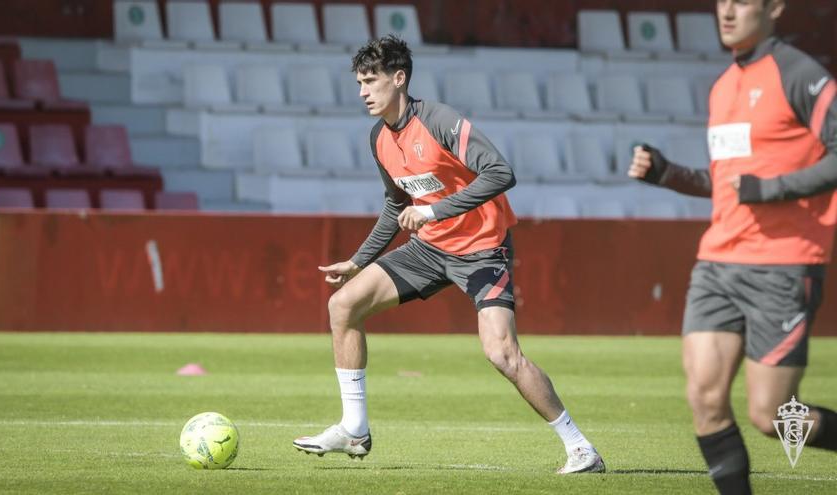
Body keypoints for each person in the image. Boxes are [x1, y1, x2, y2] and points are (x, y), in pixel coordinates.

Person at [292, 35, 605, 474]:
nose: (362, 91)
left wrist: (435, 210)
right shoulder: (379, 138)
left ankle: (581, 448)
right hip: (429, 248)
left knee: (503, 354)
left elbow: (500, 172)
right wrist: (358, 260)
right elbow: (396, 205)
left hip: (482, 249)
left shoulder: (439, 120)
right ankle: (354, 428)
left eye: (371, 80)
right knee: (342, 305)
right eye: (359, 82)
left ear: (399, 79)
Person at [628, 0, 837, 493]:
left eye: (741, 2)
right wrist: (668, 174)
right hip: (718, 261)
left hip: (783, 264)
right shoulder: (724, 86)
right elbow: (728, 183)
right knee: (704, 397)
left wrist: (771, 189)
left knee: (772, 416)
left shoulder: (799, 73)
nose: (727, 11)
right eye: (722, 1)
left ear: (775, 8)